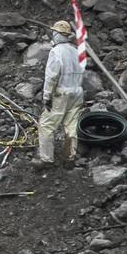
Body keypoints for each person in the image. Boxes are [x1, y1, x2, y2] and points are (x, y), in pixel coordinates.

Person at [34, 19, 85, 168]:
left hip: (61, 93)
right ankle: (69, 158)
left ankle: (46, 159)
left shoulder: (56, 51)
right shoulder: (76, 51)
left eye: (54, 32)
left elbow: (51, 76)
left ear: (57, 34)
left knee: (46, 125)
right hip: (77, 92)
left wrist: (46, 96)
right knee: (71, 125)